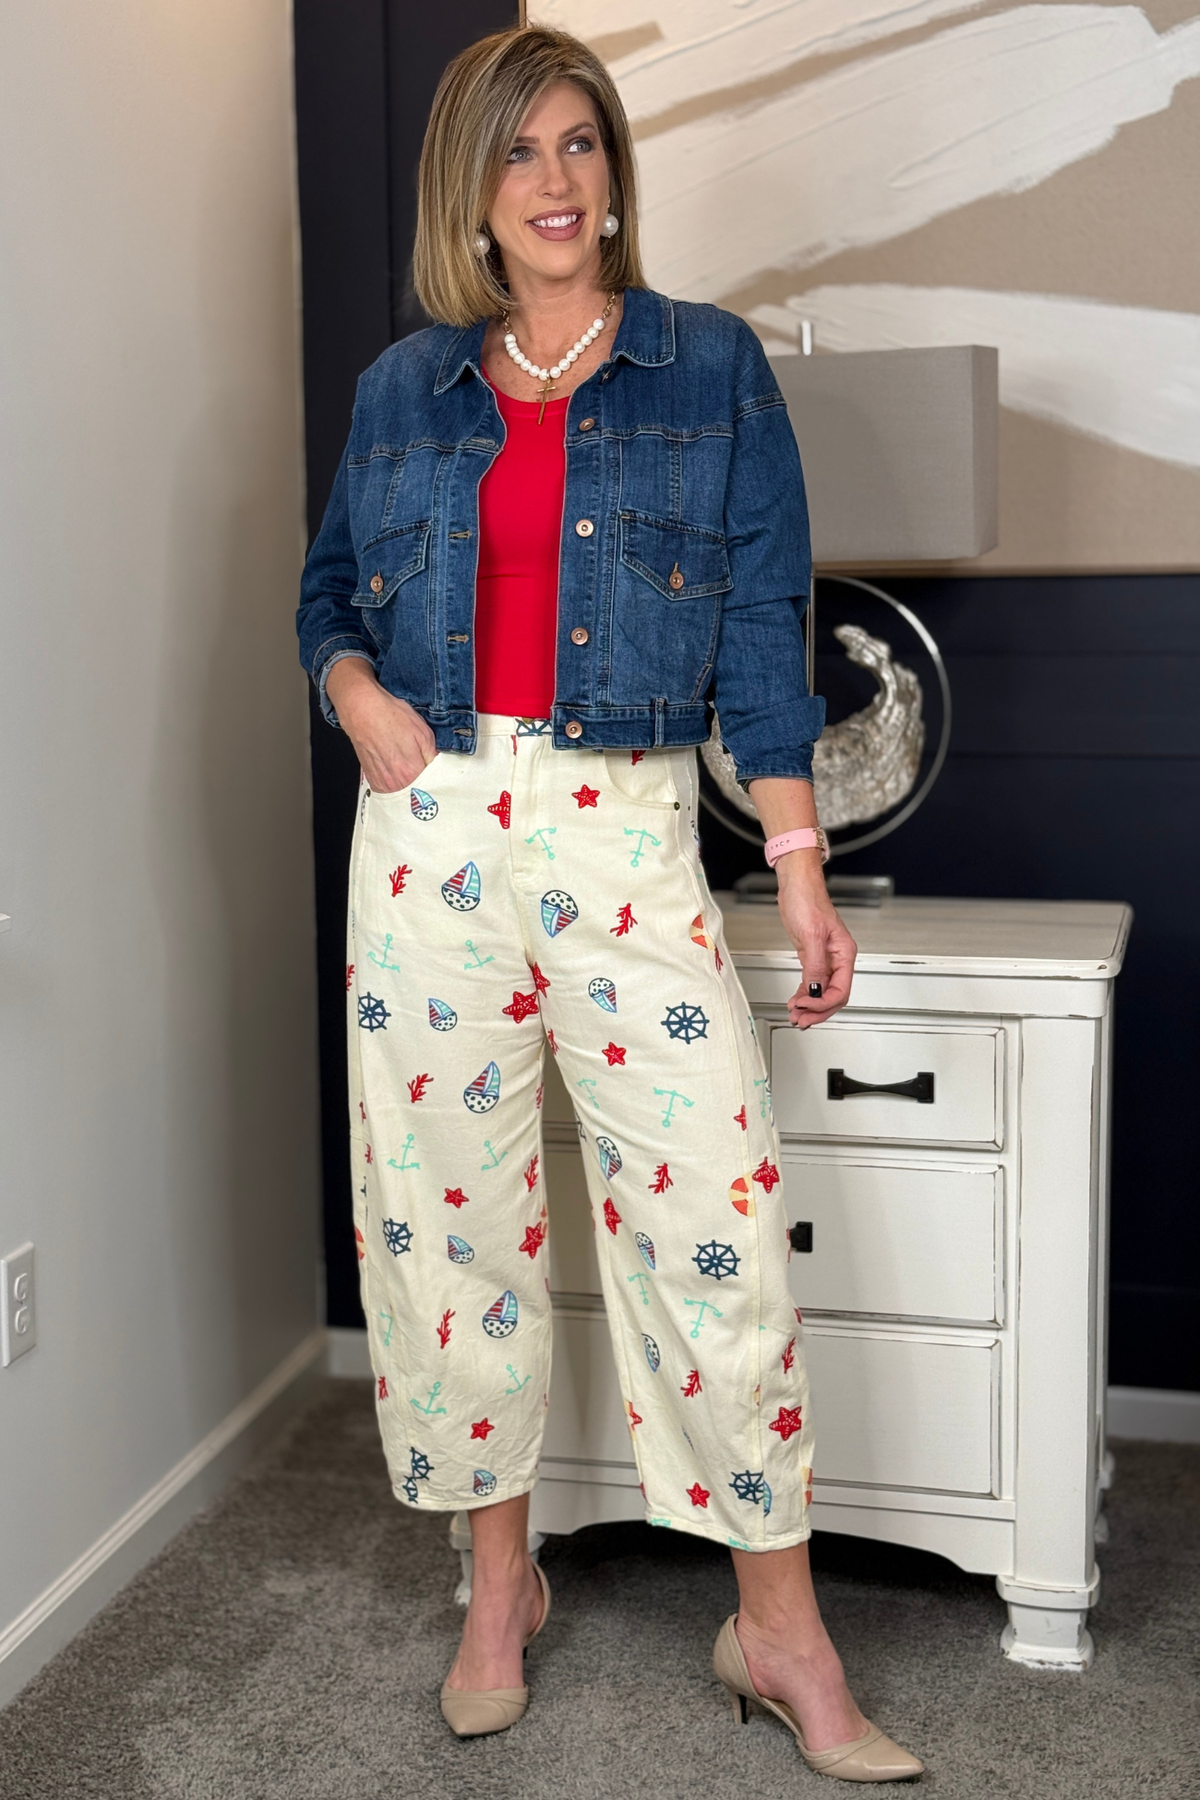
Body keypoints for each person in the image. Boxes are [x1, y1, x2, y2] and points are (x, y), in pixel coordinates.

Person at [296, 23, 922, 1783]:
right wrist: (357, 700)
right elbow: (327, 596)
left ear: (613, 174)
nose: (557, 182)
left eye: (581, 144)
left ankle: (778, 1625)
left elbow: (760, 645)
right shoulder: (400, 391)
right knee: (446, 1234)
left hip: (625, 826)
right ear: (473, 194)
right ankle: (499, 1589)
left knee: (709, 1218)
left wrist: (796, 865)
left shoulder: (709, 369)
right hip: (428, 837)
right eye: (520, 153)